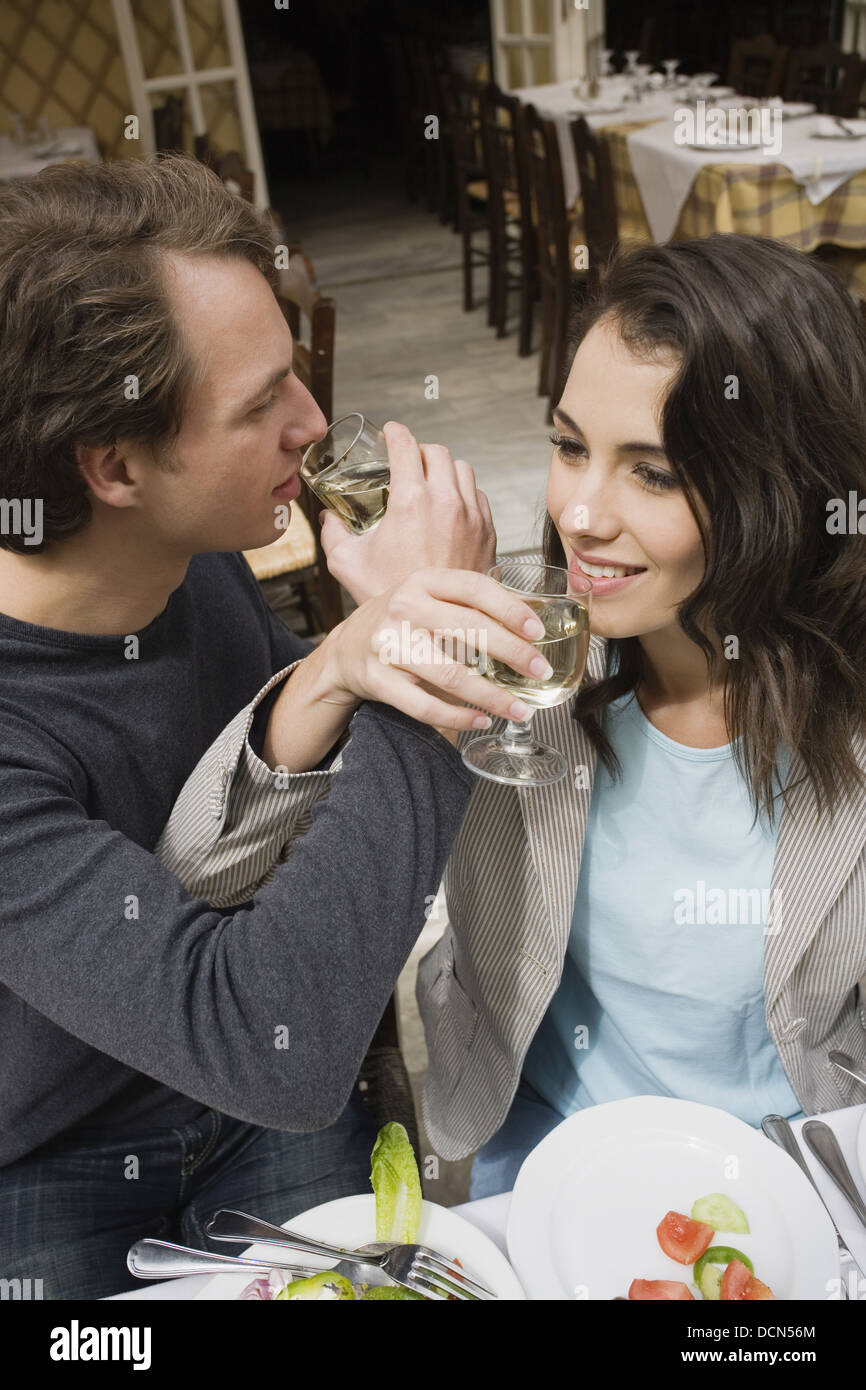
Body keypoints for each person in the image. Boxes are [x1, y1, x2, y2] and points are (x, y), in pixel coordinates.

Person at [177, 234, 866, 1199]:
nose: (580, 514)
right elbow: (203, 872)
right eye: (571, 445)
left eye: (654, 474)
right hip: (544, 1155)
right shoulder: (517, 670)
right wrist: (343, 660)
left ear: (784, 487)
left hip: (798, 1177)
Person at [0, 152, 551, 1298]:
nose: (314, 420)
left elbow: (262, 832)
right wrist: (420, 661)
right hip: (51, 1143)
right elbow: (264, 1035)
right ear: (113, 467)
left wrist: (340, 667)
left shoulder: (181, 561)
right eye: (261, 406)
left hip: (257, 1071)